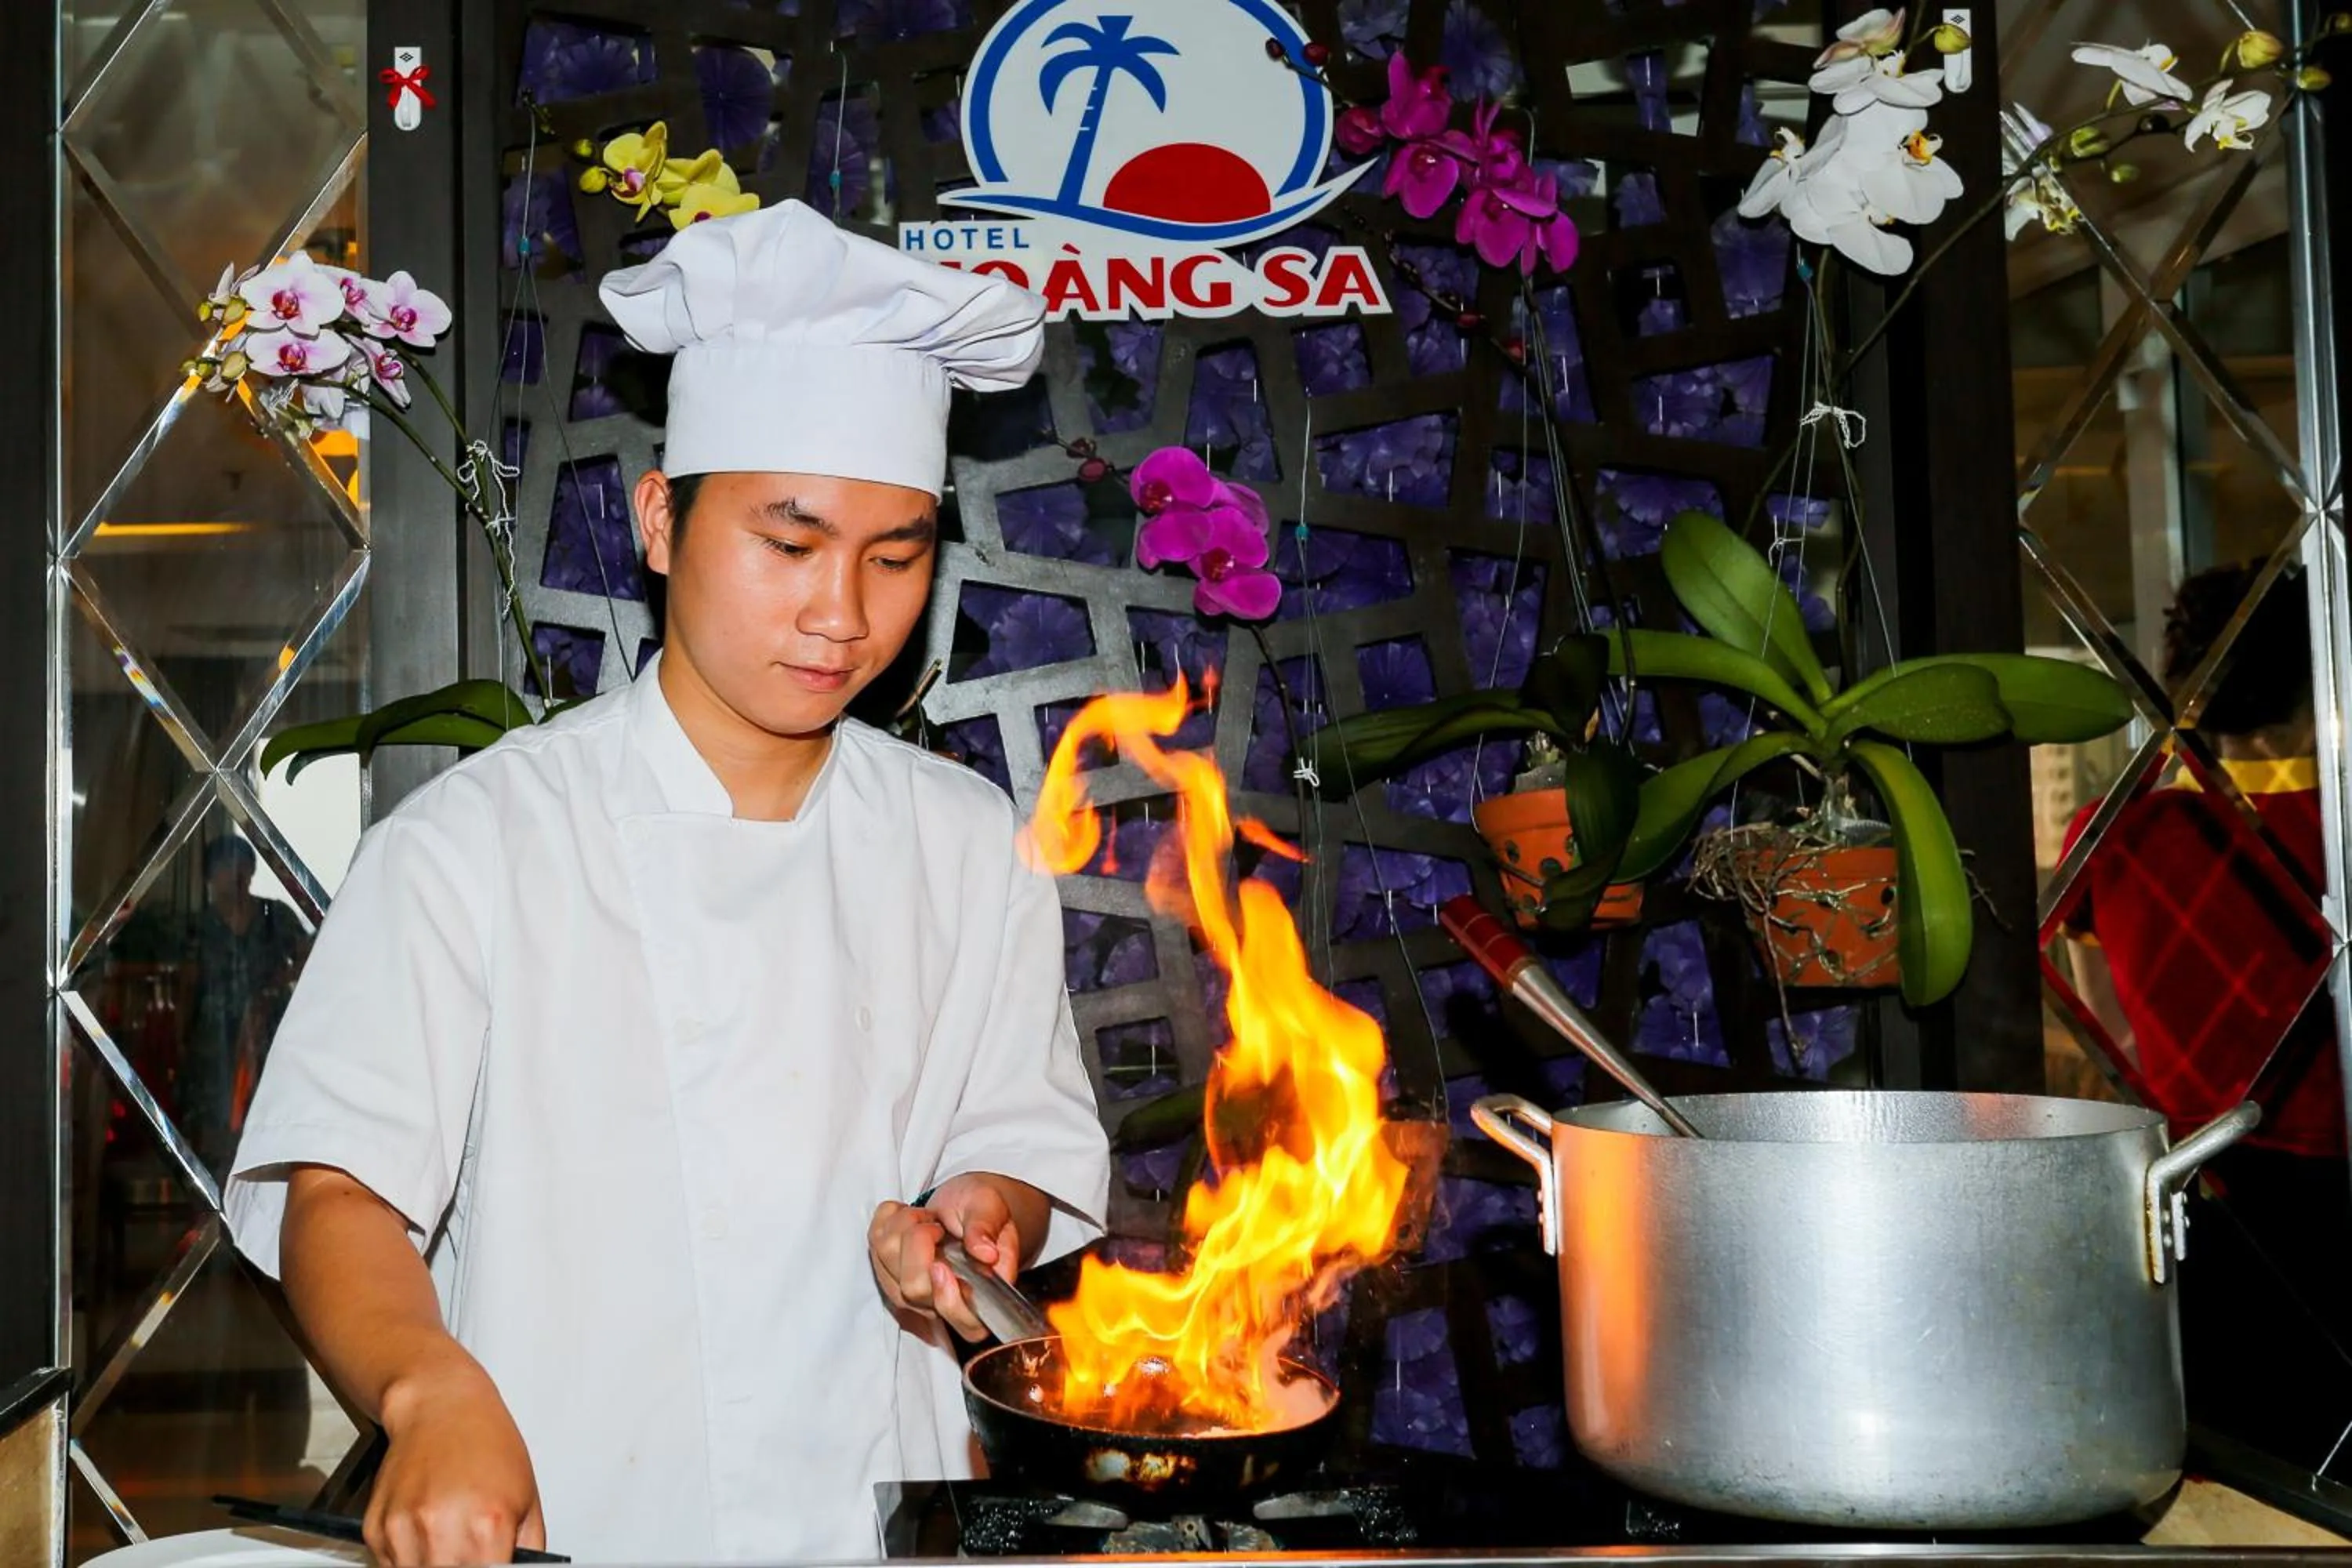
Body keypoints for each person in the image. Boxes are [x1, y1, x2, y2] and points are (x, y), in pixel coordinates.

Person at [225, 201, 1111, 1566]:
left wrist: (982, 1215)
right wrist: (428, 1390)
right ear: (660, 519)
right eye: (789, 542)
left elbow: (1020, 1140)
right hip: (570, 1517)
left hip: (891, 1523)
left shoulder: (960, 840)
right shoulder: (485, 840)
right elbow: (337, 1189)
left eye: (897, 556)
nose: (843, 613)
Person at [2060, 562, 2350, 1452]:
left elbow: (2103, 1023)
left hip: (2186, 1198)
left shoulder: (2114, 832)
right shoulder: (2336, 828)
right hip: (2335, 1199)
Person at [181, 834, 307, 1178]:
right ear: (209, 876)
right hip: (214, 1040)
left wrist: (277, 984)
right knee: (215, 1128)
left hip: (267, 1035)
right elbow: (187, 985)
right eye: (223, 867)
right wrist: (181, 1039)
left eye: (241, 865)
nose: (233, 874)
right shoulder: (199, 926)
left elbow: (310, 956)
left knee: (268, 1121)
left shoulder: (275, 915)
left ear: (251, 871)